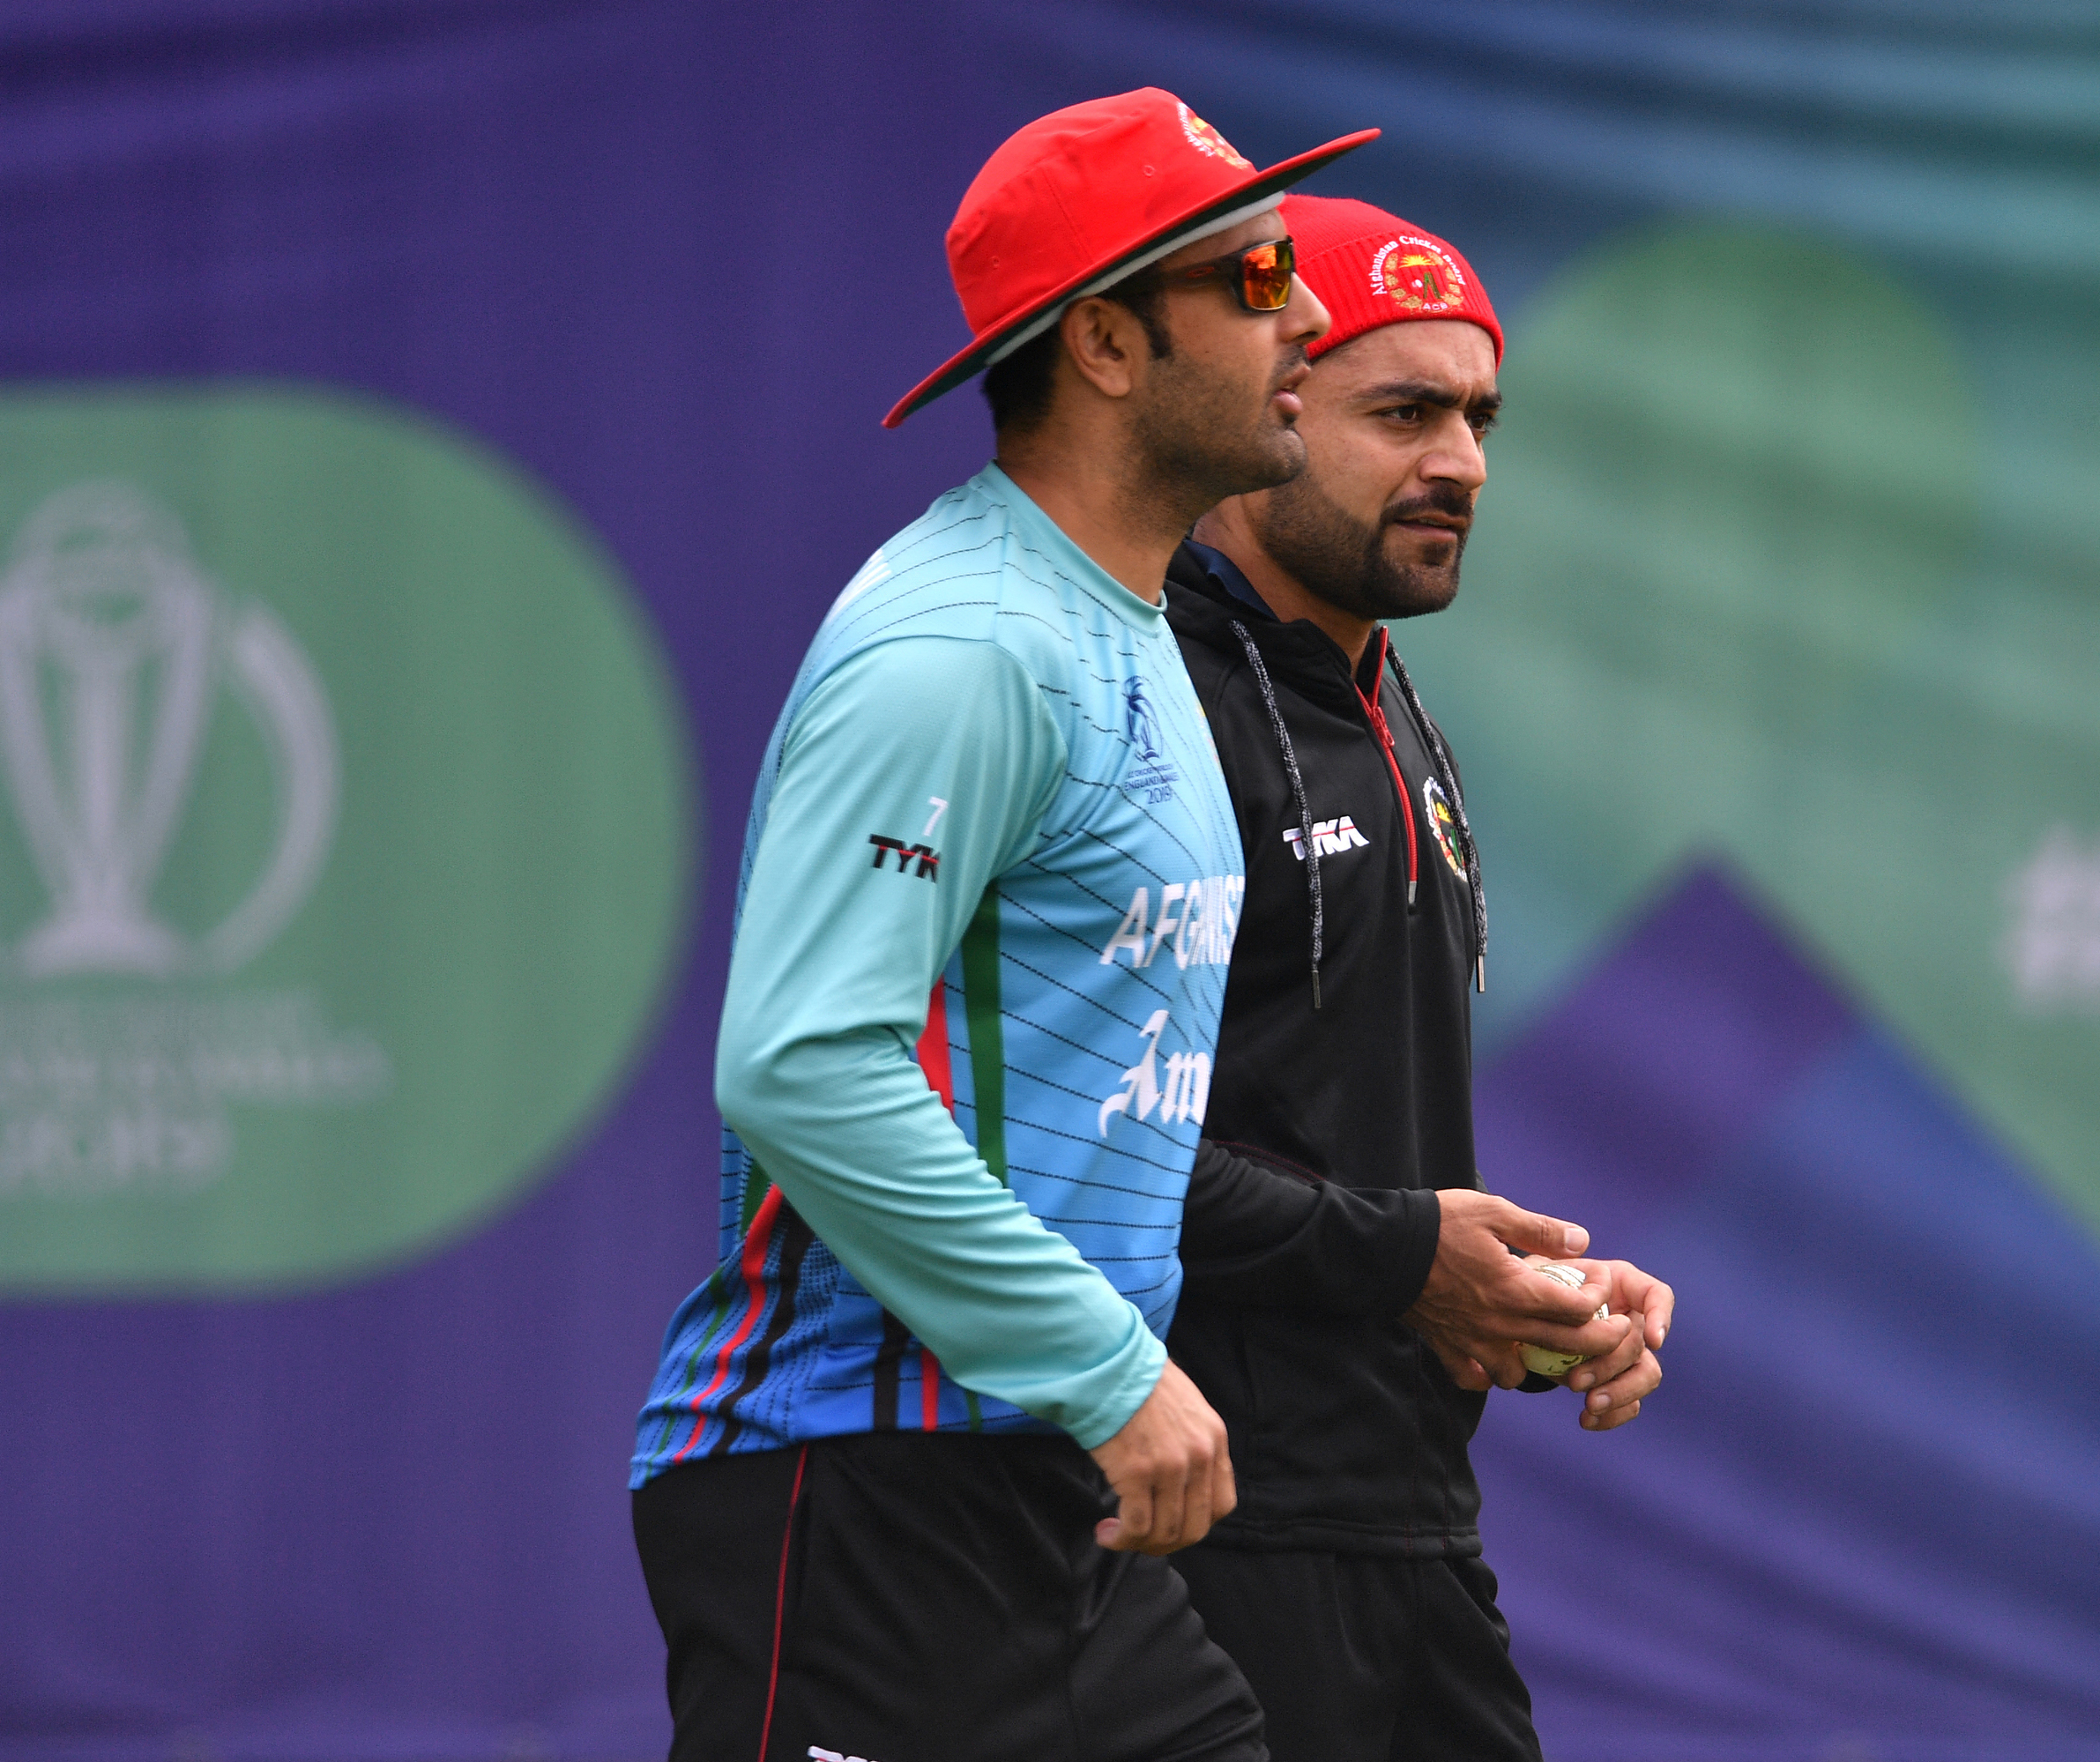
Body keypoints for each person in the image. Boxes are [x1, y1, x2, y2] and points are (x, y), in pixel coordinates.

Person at [627, 92, 1374, 1762]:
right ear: (1104, 342)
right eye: (1258, 279)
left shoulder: (1120, 619)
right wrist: (1113, 1371)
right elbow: (803, 1066)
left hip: (1049, 1481)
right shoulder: (964, 644)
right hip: (859, 1477)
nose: (1313, 315)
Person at [1158, 194, 1675, 1762]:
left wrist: (1509, 1294)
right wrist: (1406, 1257)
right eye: (1405, 413)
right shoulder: (1141, 707)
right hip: (1198, 1527)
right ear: (1270, 407)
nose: (1464, 462)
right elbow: (1063, 1144)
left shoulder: (1390, 702)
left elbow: (1323, 1136)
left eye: (1478, 417)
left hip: (1408, 1520)